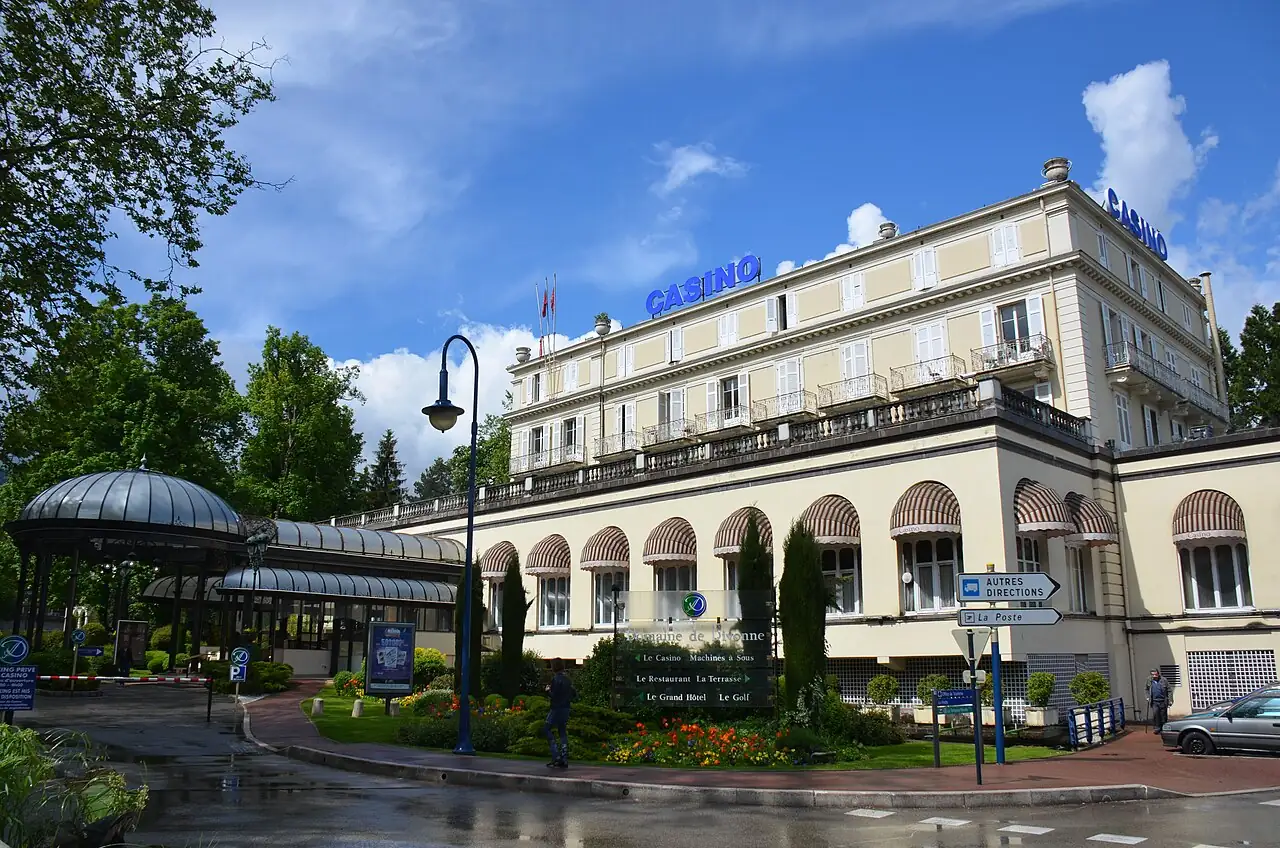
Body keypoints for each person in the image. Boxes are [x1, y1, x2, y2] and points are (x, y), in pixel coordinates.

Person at [544, 658, 577, 769]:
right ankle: (564, 758)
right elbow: (574, 694)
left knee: (547, 728)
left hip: (556, 708)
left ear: (554, 667)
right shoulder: (568, 680)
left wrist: (548, 691)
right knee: (562, 731)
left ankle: (556, 756)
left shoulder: (555, 679)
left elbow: (554, 696)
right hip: (566, 708)